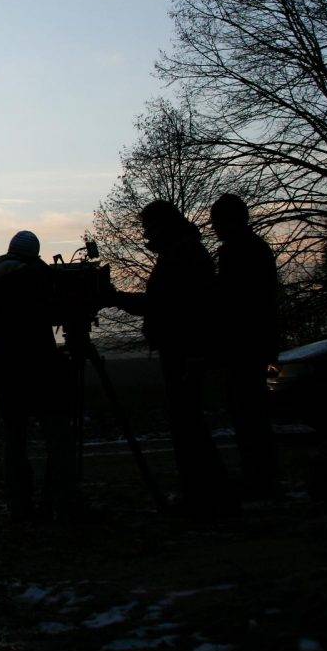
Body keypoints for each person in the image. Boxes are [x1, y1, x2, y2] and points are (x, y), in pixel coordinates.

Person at [111, 201, 234, 516]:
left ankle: (203, 493)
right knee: (188, 422)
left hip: (185, 349)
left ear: (161, 227)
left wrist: (115, 298)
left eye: (149, 227)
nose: (146, 233)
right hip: (184, 348)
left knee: (187, 423)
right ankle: (207, 489)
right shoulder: (183, 252)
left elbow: (162, 305)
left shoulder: (182, 257)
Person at [0, 230, 76, 523]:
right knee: (58, 435)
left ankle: (20, 507)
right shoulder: (33, 277)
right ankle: (63, 504)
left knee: (15, 440)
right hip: (41, 369)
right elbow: (53, 309)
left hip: (6, 372)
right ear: (33, 254)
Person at [210, 193, 279, 498]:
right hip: (257, 343)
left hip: (244, 346)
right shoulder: (256, 249)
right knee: (254, 417)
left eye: (218, 221)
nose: (215, 228)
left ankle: (259, 480)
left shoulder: (237, 253)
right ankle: (261, 477)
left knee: (249, 415)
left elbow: (229, 302)